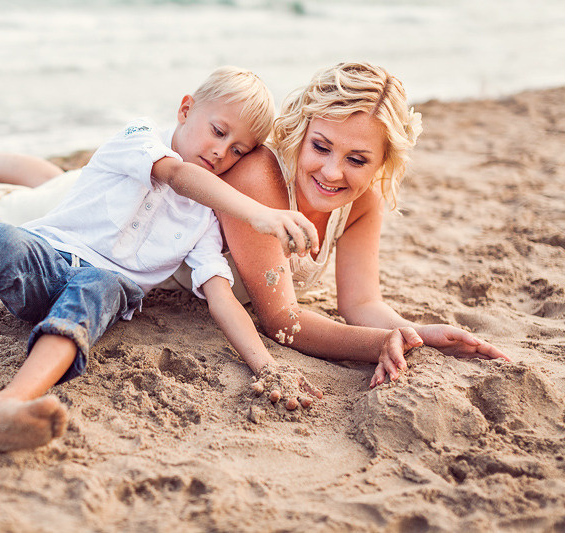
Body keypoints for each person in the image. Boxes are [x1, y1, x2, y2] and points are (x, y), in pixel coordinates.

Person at [0, 66, 324, 452]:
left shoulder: (207, 218)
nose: (223, 153)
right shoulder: (141, 138)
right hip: (45, 254)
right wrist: (259, 212)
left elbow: (220, 297)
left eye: (240, 150)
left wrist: (266, 366)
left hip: (100, 285)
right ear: (186, 109)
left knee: (104, 286)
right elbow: (176, 175)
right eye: (219, 132)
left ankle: (9, 404)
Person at [214, 62, 511, 388]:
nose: (331, 172)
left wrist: (415, 334)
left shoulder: (362, 201)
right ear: (303, 129)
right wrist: (377, 344)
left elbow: (361, 302)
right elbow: (282, 321)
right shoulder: (258, 174)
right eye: (320, 146)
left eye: (356, 160)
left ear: (382, 161)